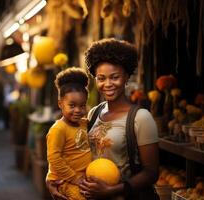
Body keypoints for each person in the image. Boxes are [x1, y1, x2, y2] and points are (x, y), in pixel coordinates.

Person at [47, 38, 159, 200]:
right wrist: (51, 179)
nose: (108, 84)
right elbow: (65, 151)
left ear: (126, 76)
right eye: (101, 78)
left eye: (114, 77)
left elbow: (151, 173)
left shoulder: (141, 118)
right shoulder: (93, 113)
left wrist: (111, 191)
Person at [46, 67, 92, 200]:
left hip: (82, 180)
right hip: (66, 182)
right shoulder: (58, 129)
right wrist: (74, 178)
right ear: (60, 104)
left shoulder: (85, 123)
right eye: (72, 105)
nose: (78, 110)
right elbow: (54, 158)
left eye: (82, 105)